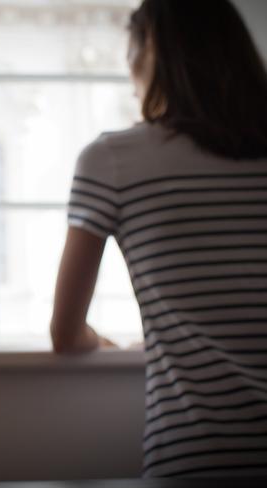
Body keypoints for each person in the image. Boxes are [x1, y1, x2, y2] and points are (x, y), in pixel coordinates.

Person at [50, 0, 267, 478]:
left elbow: (66, 334)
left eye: (132, 47)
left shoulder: (112, 161)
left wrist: (114, 344)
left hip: (195, 458)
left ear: (151, 52)